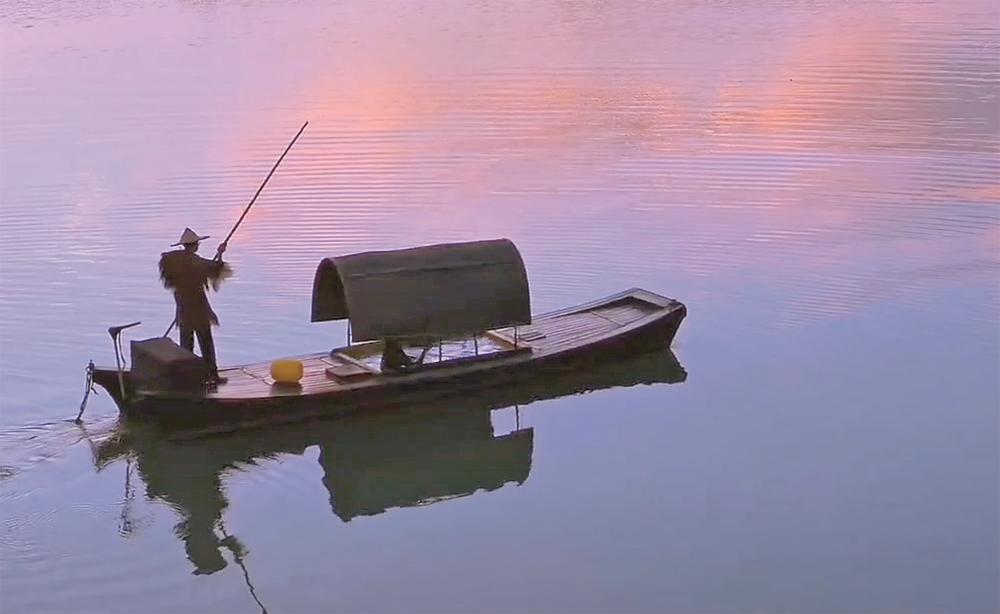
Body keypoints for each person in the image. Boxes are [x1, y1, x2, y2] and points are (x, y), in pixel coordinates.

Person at [159, 227, 232, 384]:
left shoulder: (173, 262)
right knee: (206, 342)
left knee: (186, 344)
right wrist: (220, 253)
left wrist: (219, 254)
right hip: (198, 309)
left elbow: (205, 268)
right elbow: (214, 269)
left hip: (183, 307)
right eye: (197, 243)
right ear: (195, 245)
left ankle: (186, 377)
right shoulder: (194, 262)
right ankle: (212, 375)